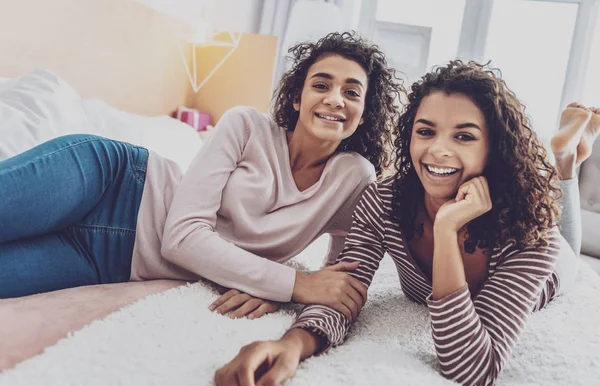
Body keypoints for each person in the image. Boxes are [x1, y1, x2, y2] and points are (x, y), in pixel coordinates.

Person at [214, 60, 599, 386]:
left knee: (569, 244)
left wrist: (447, 231)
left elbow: (472, 368)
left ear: (494, 148)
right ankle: (565, 159)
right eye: (426, 131)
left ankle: (565, 163)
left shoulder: (531, 237)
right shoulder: (385, 201)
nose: (437, 151)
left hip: (554, 268)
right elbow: (344, 289)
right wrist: (291, 345)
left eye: (463, 136)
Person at [0, 31, 403, 326]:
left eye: (352, 93)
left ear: (364, 113)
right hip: (108, 183)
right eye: (321, 85)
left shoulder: (354, 178)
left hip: (109, 261)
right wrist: (292, 284)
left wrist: (291, 292)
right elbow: (181, 237)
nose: (335, 99)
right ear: (297, 98)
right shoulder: (245, 125)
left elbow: (337, 282)